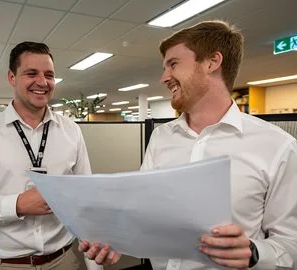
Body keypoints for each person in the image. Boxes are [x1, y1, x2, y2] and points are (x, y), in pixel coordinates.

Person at [80, 20, 297, 269]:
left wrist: (254, 253)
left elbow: (291, 243)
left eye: (173, 64)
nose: (164, 78)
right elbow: (142, 212)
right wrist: (115, 239)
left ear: (212, 62)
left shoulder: (276, 146)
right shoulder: (161, 137)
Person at [0, 41, 101, 270]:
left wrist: (94, 266)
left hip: (63, 260)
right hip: (6, 264)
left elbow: (85, 198)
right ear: (12, 77)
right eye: (31, 73)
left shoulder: (71, 131)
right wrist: (17, 204)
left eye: (49, 75)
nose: (42, 82)